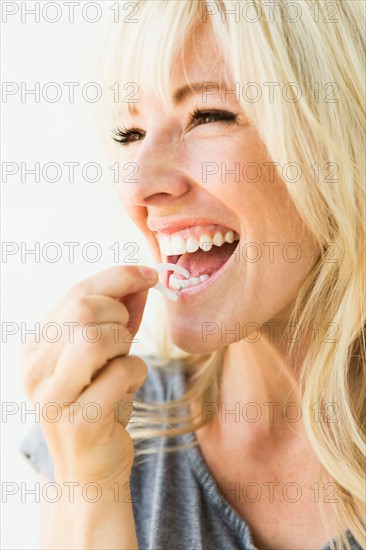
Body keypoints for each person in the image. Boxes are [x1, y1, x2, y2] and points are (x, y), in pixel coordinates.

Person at [20, 1, 365, 549]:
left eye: (208, 116)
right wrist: (89, 491)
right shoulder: (101, 433)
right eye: (130, 133)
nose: (138, 186)